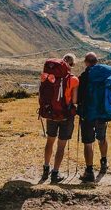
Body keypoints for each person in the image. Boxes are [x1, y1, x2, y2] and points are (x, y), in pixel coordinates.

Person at [77, 52, 111, 182]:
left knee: (88, 143)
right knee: (102, 138)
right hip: (102, 113)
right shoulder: (106, 74)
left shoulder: (84, 77)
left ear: (86, 62)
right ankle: (104, 162)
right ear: (96, 61)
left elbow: (78, 97)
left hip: (88, 114)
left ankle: (89, 172)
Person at [42, 53, 79, 183]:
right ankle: (55, 173)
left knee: (50, 141)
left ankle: (46, 168)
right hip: (65, 116)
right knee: (61, 146)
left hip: (51, 114)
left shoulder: (50, 77)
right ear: (72, 65)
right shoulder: (74, 80)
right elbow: (74, 100)